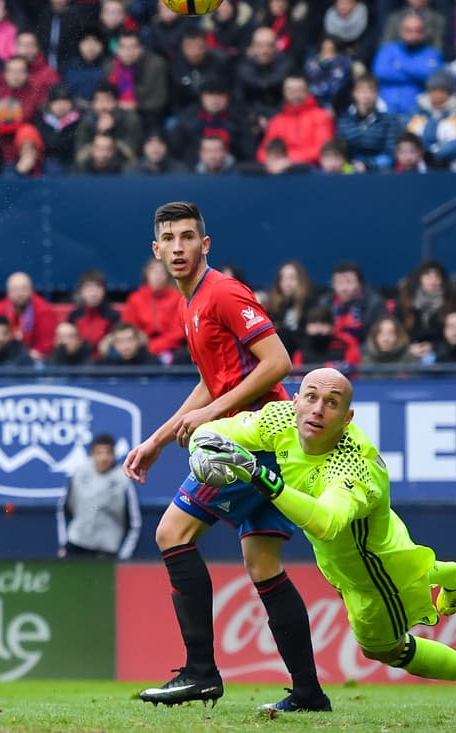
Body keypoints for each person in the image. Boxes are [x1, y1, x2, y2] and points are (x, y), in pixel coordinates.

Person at [186, 369, 456, 723]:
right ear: (295, 401)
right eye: (311, 397)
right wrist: (203, 450)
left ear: (347, 418)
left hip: (372, 569)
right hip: (371, 539)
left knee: (385, 649)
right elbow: (210, 432)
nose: (317, 409)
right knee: (405, 563)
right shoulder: (280, 418)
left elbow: (327, 522)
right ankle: (455, 575)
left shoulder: (352, 465)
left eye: (331, 403)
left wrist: (261, 477)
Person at [123, 202, 327, 713]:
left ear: (204, 244)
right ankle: (308, 692)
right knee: (262, 565)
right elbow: (210, 383)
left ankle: (199, 673)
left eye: (187, 237)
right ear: (155, 249)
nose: (177, 247)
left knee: (171, 533)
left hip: (253, 441)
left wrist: (214, 412)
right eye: (168, 238)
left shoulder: (223, 292)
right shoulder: (189, 304)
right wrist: (157, 438)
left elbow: (278, 362)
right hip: (271, 446)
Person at [57, 434, 140, 559]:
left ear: (115, 455)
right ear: (92, 454)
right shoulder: (78, 474)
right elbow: (63, 510)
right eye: (99, 453)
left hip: (107, 551)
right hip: (76, 545)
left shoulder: (124, 480)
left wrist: (124, 556)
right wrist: (64, 543)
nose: (104, 457)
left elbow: (135, 523)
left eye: (108, 453)